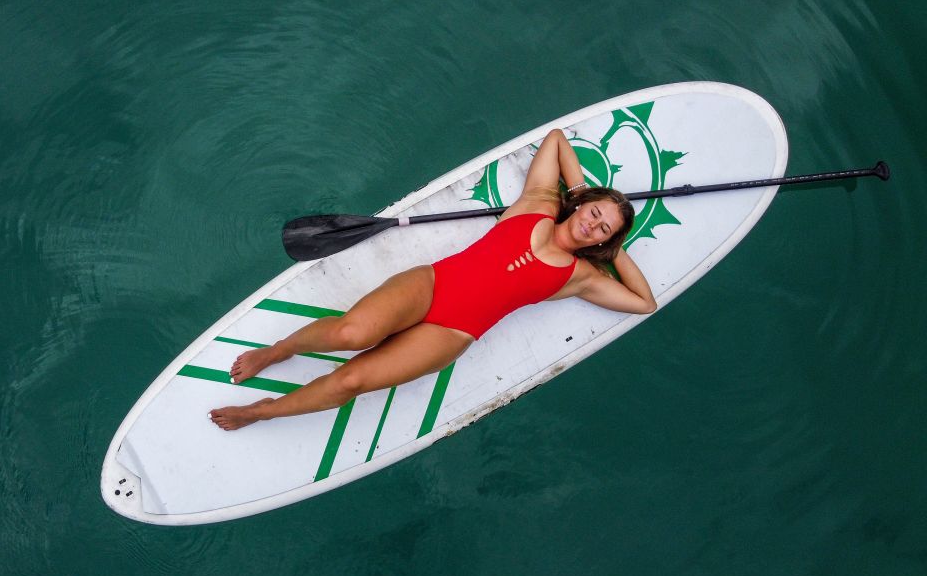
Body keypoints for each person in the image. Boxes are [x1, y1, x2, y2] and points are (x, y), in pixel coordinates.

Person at [209, 128, 657, 430]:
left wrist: (617, 251)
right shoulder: (538, 202)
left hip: (453, 332)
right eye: (594, 213)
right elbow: (557, 141)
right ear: (583, 205)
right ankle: (279, 350)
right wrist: (578, 189)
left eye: (604, 229)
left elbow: (644, 303)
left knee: (352, 382)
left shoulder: (581, 276)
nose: (592, 225)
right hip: (433, 285)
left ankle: (262, 412)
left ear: (607, 242)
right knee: (352, 331)